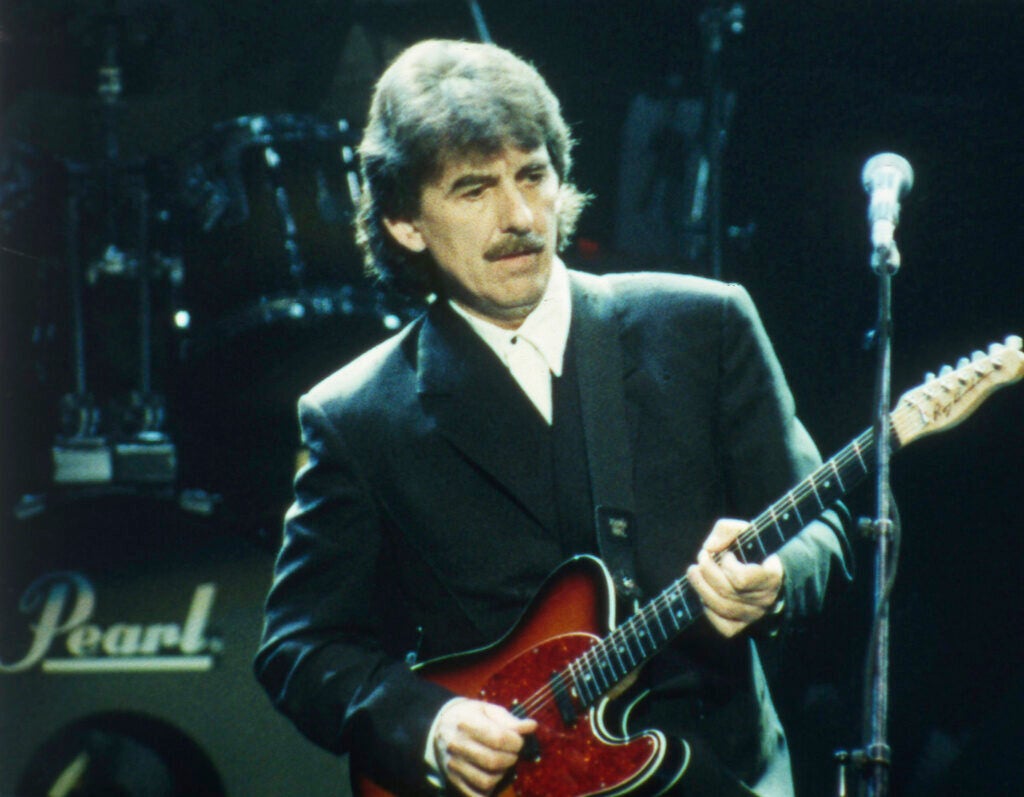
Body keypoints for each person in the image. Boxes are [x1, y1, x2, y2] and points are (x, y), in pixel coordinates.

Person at [255, 39, 852, 797]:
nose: (518, 216)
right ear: (405, 222)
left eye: (532, 176)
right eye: (473, 191)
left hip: (722, 767)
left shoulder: (704, 324)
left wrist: (777, 575)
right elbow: (301, 646)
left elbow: (826, 520)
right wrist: (431, 726)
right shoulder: (355, 416)